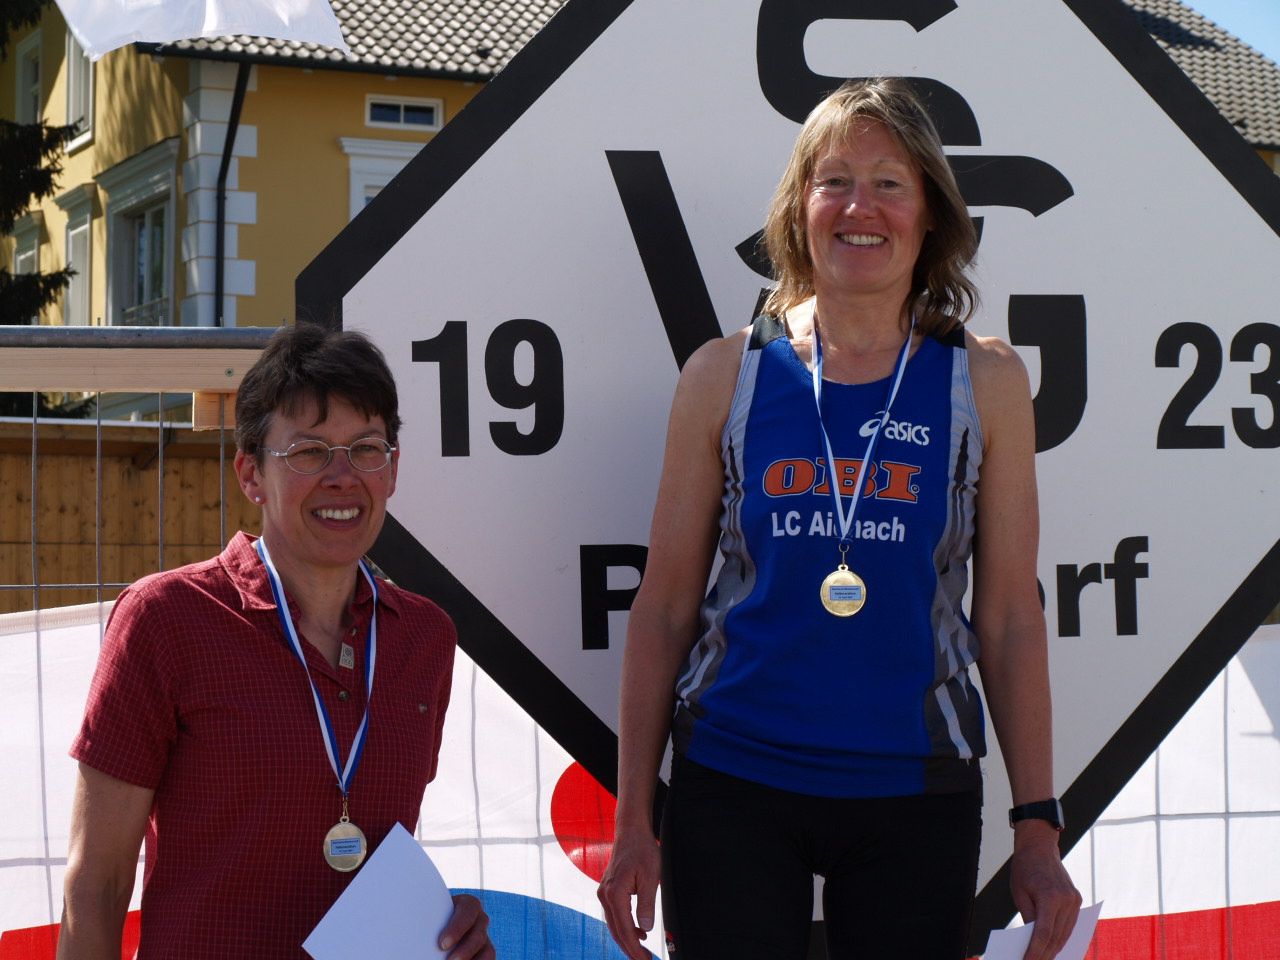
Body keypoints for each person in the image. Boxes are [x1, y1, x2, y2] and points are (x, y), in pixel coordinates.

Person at [598, 78, 1082, 960]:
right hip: (733, 779)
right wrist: (635, 820)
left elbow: (1012, 617)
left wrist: (1038, 828)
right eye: (835, 182)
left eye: (890, 183)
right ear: (799, 208)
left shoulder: (986, 382)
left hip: (916, 790)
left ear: (931, 215)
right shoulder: (725, 374)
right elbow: (664, 607)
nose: (862, 207)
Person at [58, 325, 493, 959]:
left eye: (366, 449)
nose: (343, 477)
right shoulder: (165, 619)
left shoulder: (425, 638)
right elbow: (94, 887)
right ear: (251, 474)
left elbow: (371, 860)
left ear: (393, 470)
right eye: (309, 451)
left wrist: (444, 928)